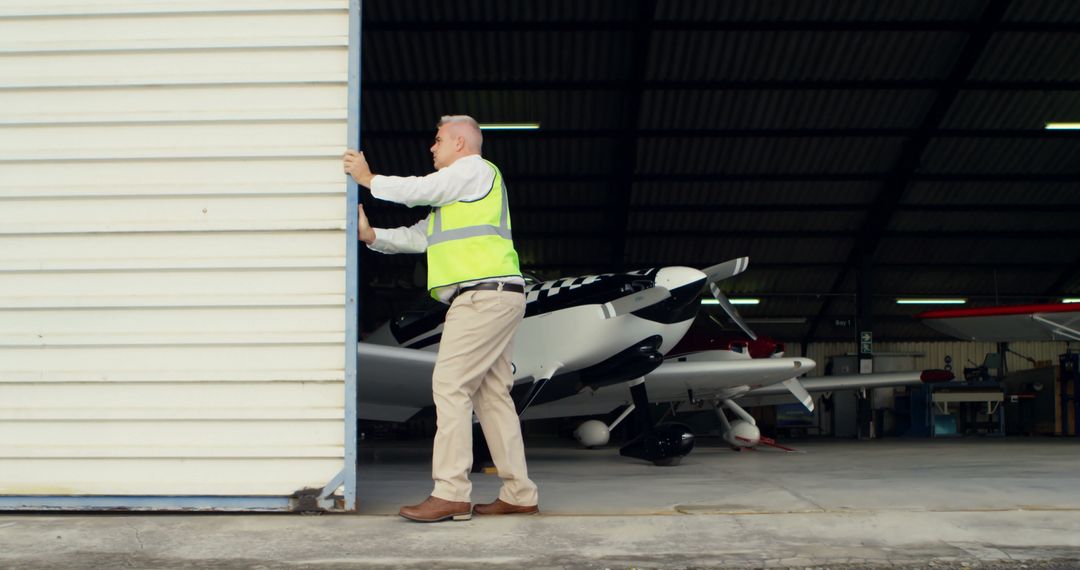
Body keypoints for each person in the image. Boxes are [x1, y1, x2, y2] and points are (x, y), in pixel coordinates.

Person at [344, 115, 539, 523]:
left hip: (481, 297)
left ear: (460, 143)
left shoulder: (472, 169)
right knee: (492, 397)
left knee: (450, 386)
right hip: (498, 296)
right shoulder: (456, 198)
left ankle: (450, 492)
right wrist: (371, 236)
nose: (432, 149)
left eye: (437, 141)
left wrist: (369, 179)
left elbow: (421, 189)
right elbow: (420, 236)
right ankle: (519, 493)